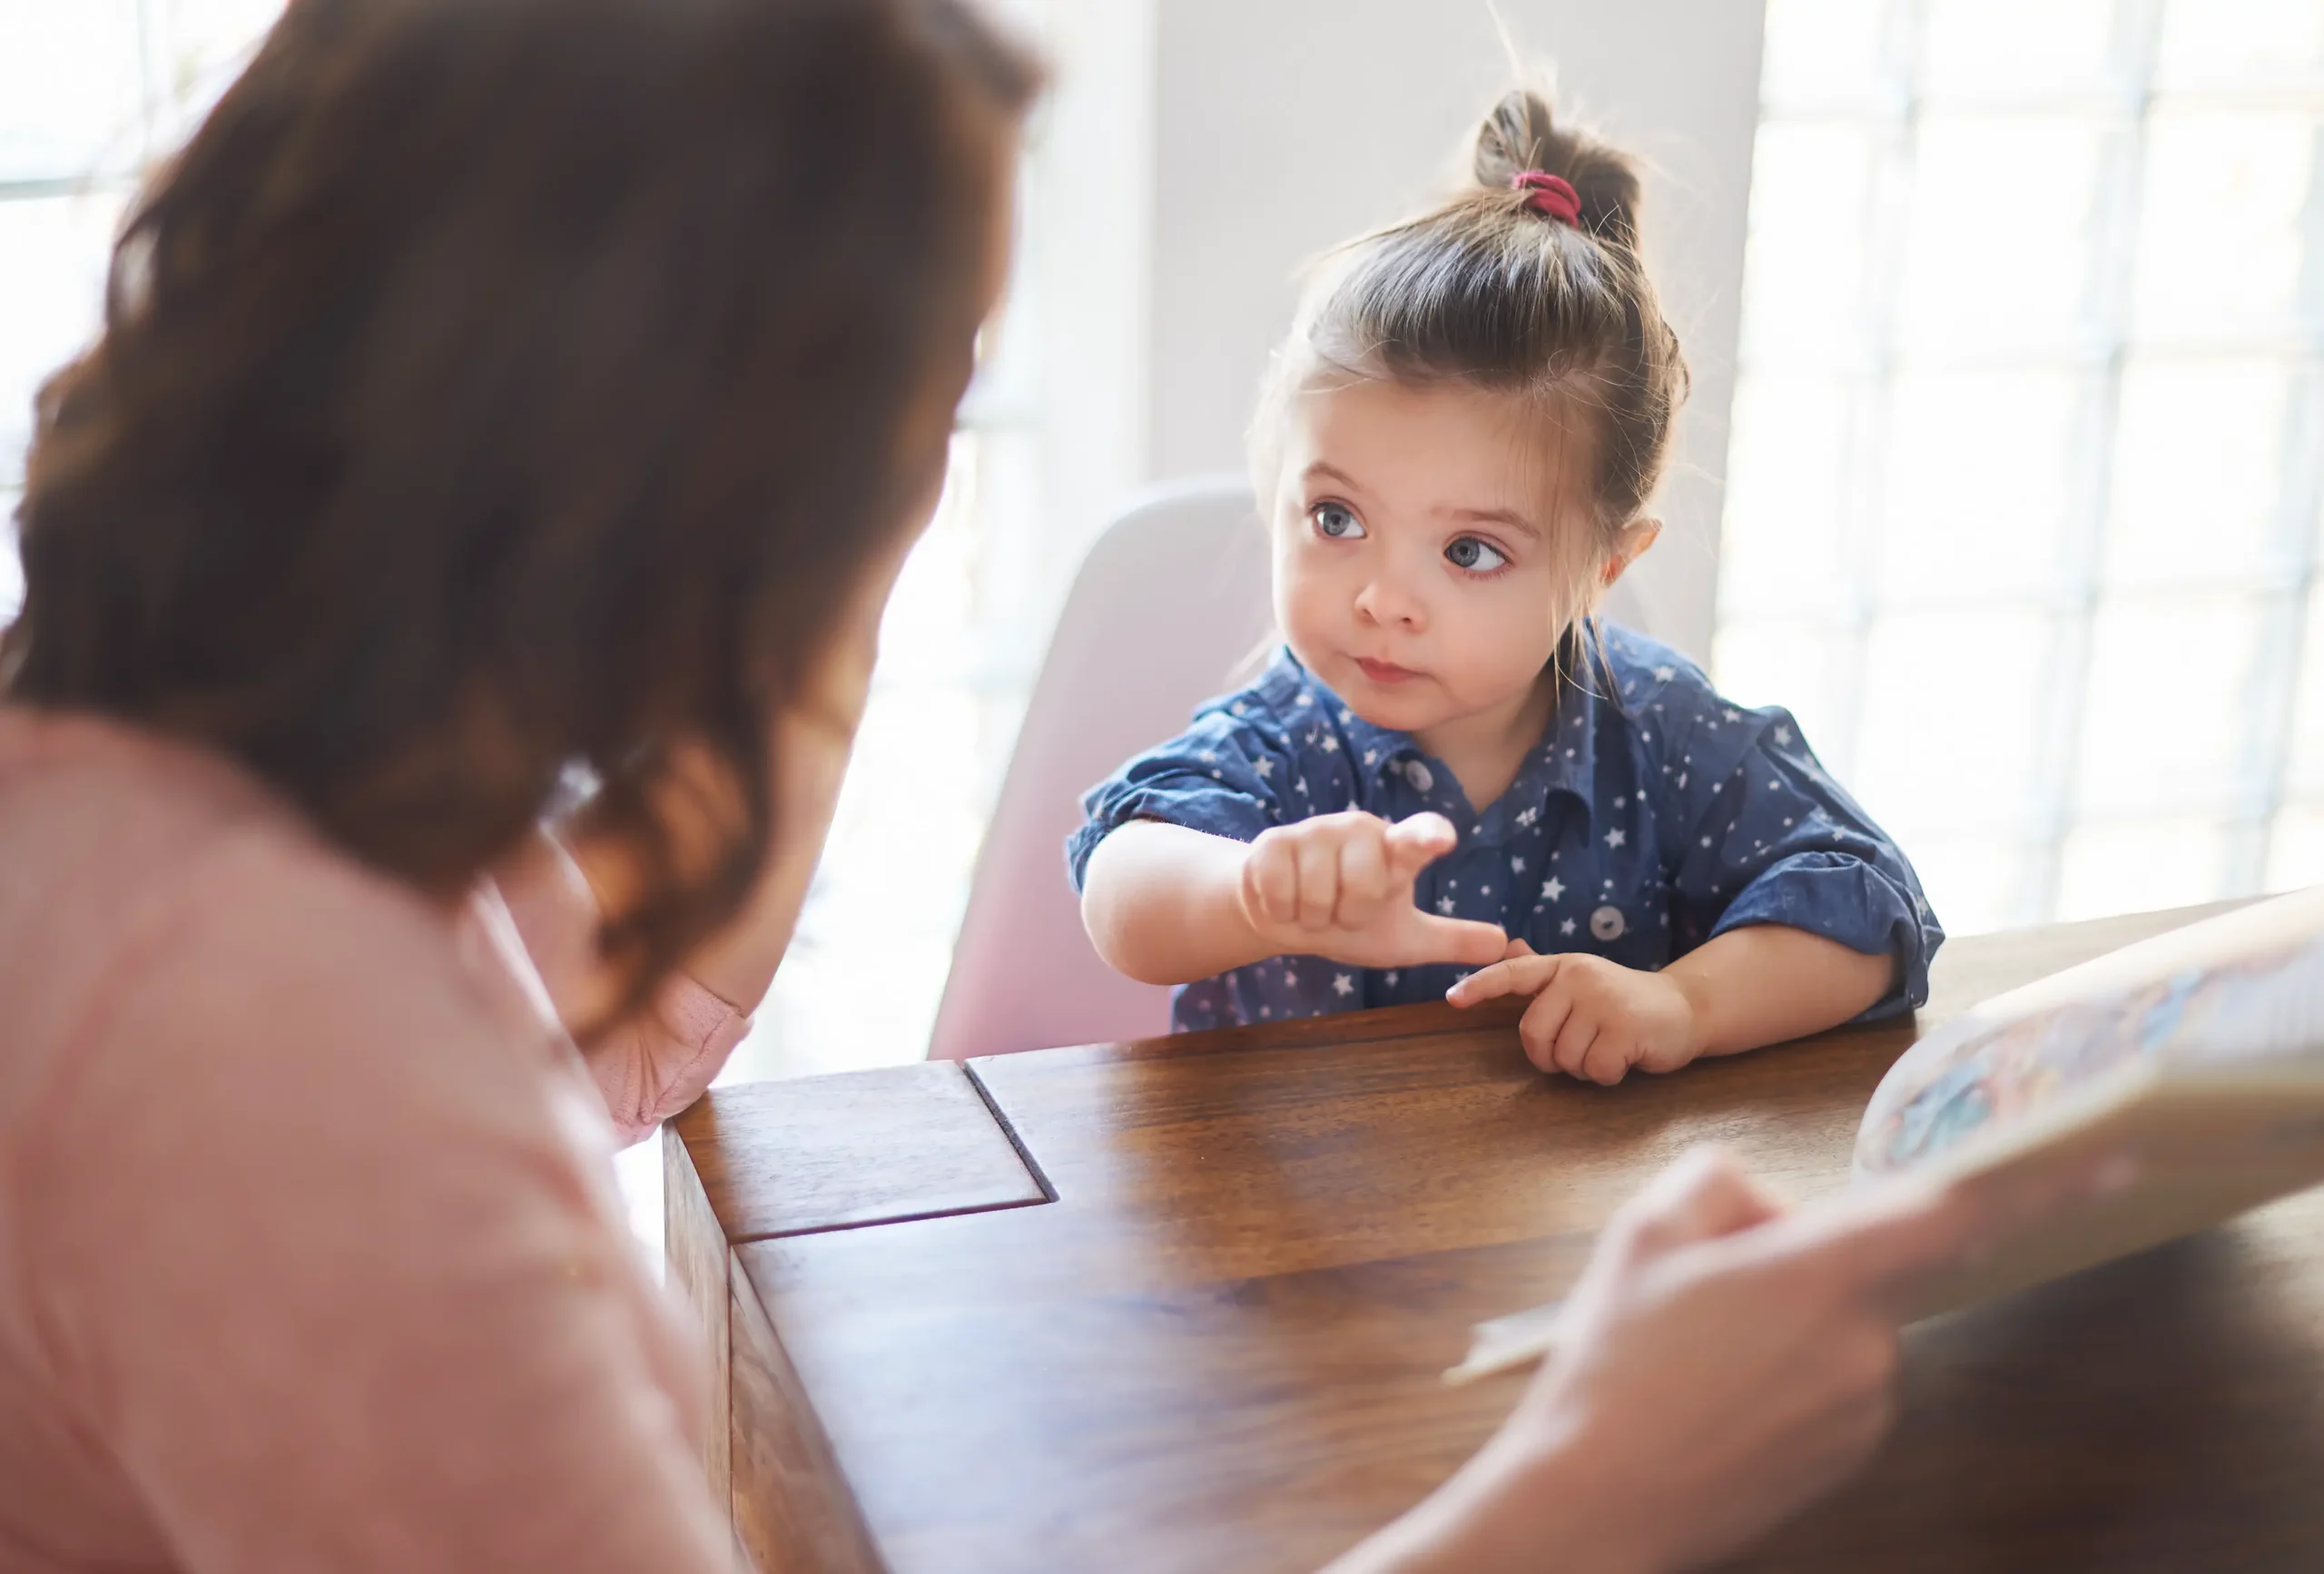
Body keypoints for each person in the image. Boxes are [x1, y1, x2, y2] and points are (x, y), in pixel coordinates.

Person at [0, 4, 2094, 1569]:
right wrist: (1592, 1493)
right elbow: (1118, 872)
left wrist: (818, 608)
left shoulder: (238, 782)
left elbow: (608, 1037)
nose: (917, 494)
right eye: (905, 415)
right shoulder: (248, 1035)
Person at [1071, 91, 1939, 1087]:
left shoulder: (1661, 733)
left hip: (1575, 1189)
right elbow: (1121, 888)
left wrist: (1686, 1003)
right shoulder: (1283, 742)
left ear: (1603, 569)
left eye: (1469, 552)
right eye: (1336, 519)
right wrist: (1253, 891)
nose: (1382, 600)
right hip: (1282, 1184)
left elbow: (1870, 909)